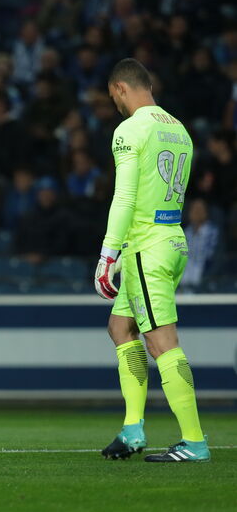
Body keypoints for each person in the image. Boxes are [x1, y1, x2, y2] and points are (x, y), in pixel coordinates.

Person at [95, 59, 209, 462]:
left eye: (114, 99)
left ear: (122, 89)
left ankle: (194, 442)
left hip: (145, 247)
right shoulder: (178, 130)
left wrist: (109, 252)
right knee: (120, 327)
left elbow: (124, 197)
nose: (116, 107)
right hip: (171, 238)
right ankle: (132, 430)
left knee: (162, 343)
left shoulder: (130, 130)